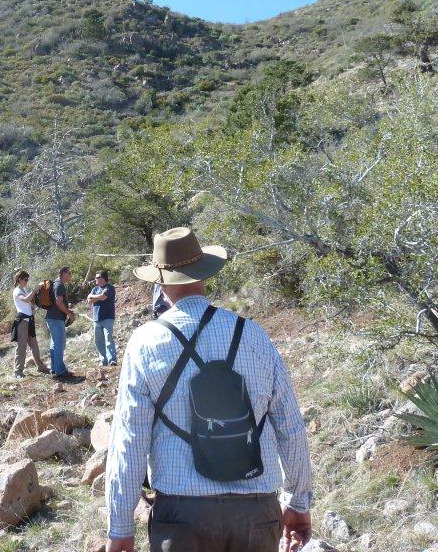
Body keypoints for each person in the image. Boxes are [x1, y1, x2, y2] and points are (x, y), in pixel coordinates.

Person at [105, 227, 313, 552]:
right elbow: (291, 428)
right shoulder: (254, 335)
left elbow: (129, 442)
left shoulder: (144, 343)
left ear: (161, 284)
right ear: (204, 273)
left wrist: (120, 528)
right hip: (257, 512)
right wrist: (298, 502)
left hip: (181, 516)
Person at [11, 270, 50, 378]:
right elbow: (26, 299)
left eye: (27, 279)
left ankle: (41, 367)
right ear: (19, 279)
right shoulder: (17, 291)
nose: (27, 281)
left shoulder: (23, 289)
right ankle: (18, 371)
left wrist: (32, 308)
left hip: (29, 320)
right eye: (25, 279)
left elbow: (28, 303)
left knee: (34, 345)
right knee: (21, 346)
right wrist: (34, 290)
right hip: (22, 321)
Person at [46, 266, 74, 377]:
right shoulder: (59, 285)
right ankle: (60, 371)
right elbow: (59, 302)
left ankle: (54, 368)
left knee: (54, 344)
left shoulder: (54, 284)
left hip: (51, 317)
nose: (70, 276)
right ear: (63, 273)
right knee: (60, 344)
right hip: (56, 318)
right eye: (69, 273)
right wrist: (69, 313)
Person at [86, 270, 118, 366]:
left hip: (108, 317)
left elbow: (103, 297)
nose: (95, 279)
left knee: (108, 338)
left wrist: (93, 297)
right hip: (96, 318)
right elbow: (89, 300)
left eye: (97, 278)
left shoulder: (110, 288)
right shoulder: (95, 289)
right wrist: (96, 297)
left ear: (103, 278)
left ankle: (112, 359)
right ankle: (103, 360)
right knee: (98, 340)